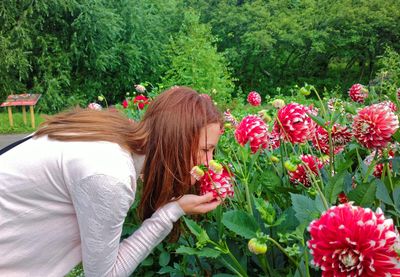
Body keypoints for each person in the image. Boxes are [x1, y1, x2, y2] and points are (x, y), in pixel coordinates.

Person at [0, 86, 223, 276]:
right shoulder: (110, 175)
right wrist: (172, 210)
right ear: (175, 141)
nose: (209, 161)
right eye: (206, 149)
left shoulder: (113, 136)